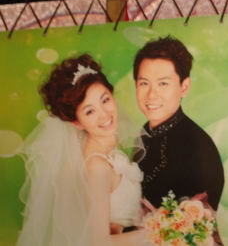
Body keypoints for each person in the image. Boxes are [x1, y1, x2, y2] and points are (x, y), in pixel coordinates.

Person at [18, 54, 146, 245]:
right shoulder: (97, 166)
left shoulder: (107, 153)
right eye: (90, 111)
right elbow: (99, 242)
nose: (104, 115)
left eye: (105, 100)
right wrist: (155, 233)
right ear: (77, 122)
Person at [133, 36, 224, 211]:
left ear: (184, 87)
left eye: (163, 83)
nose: (151, 95)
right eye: (144, 83)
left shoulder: (197, 147)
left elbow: (194, 221)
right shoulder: (145, 131)